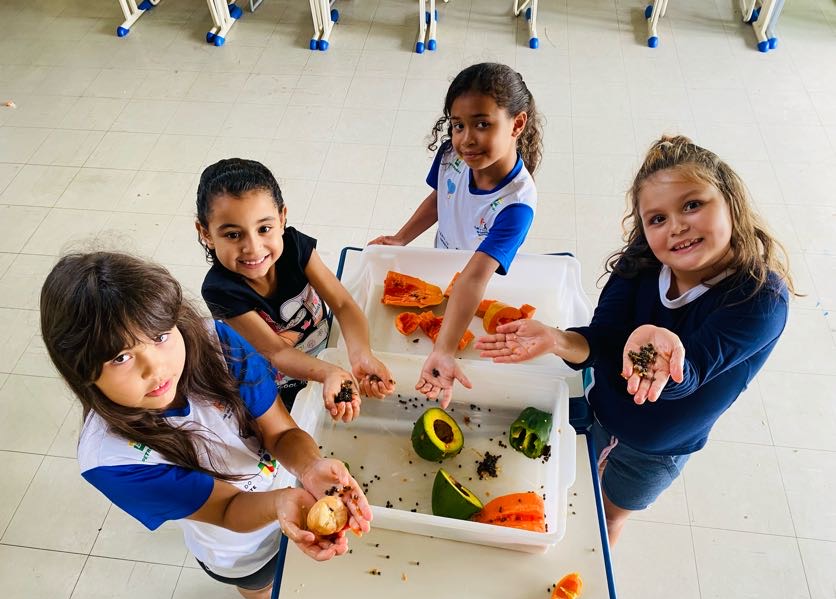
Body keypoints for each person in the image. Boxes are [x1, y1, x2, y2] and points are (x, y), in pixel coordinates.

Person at [476, 135, 794, 546]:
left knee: (609, 514)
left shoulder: (761, 299)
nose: (676, 226)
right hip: (601, 408)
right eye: (657, 218)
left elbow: (690, 375)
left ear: (731, 202)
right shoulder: (641, 261)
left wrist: (664, 354)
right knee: (573, 488)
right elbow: (604, 340)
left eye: (692, 205)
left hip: (656, 448)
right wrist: (556, 339)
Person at [40, 252, 372, 599]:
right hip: (239, 546)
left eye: (160, 336)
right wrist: (282, 503)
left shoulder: (219, 345)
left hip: (286, 487)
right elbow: (227, 509)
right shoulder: (112, 460)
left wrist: (309, 467)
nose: (156, 369)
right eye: (121, 358)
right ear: (81, 371)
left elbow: (280, 433)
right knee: (260, 583)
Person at [369, 62, 543, 408]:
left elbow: (475, 278)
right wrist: (401, 238)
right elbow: (440, 198)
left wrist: (444, 349)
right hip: (445, 262)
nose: (467, 139)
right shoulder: (452, 156)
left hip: (482, 281)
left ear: (517, 124)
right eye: (458, 125)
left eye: (482, 124)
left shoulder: (517, 205)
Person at [196, 158, 394, 420]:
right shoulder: (220, 290)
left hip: (324, 348)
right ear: (206, 233)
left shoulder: (296, 247)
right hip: (279, 380)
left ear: (282, 218)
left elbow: (343, 305)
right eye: (233, 234)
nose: (253, 248)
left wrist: (361, 355)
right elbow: (276, 352)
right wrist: (328, 372)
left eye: (264, 229)